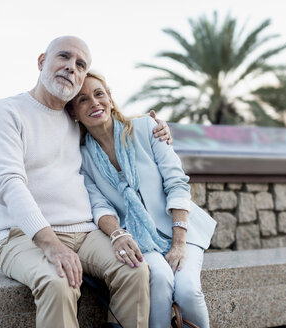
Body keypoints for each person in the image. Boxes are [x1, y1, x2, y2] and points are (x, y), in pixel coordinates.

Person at [0, 36, 172, 328]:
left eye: (80, 64)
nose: (72, 67)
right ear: (42, 61)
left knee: (135, 269)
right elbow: (9, 184)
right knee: (60, 282)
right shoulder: (6, 112)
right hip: (23, 237)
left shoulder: (75, 120)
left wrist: (156, 128)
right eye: (64, 57)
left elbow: (113, 124)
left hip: (85, 233)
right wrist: (51, 244)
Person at [66, 71, 217, 328]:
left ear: (110, 99)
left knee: (188, 290)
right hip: (139, 237)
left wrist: (179, 242)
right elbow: (99, 205)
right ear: (74, 113)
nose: (94, 103)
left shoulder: (148, 128)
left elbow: (176, 183)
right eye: (82, 100)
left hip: (180, 231)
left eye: (99, 94)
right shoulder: (82, 158)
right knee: (158, 278)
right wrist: (117, 235)